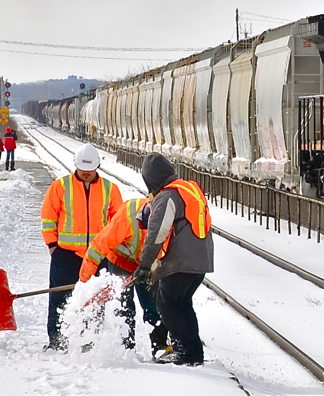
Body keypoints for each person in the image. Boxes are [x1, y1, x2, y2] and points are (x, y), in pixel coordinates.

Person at [132, 153, 213, 366]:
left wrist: (144, 265)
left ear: (150, 179)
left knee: (166, 303)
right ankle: (194, 353)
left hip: (181, 263)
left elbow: (157, 233)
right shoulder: (188, 189)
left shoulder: (167, 196)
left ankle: (182, 351)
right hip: (200, 261)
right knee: (182, 304)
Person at [41, 143, 123, 350]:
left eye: (90, 170)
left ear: (97, 167)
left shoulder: (110, 189)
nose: (86, 173)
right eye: (83, 170)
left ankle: (90, 339)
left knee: (95, 300)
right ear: (76, 165)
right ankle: (57, 340)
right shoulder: (60, 187)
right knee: (59, 297)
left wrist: (111, 250)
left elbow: (118, 222)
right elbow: (48, 218)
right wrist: (52, 245)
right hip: (66, 255)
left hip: (97, 256)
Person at [78, 197, 166, 351]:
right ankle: (126, 345)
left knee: (153, 305)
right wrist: (85, 279)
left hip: (148, 265)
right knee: (124, 303)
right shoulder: (126, 218)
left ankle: (159, 346)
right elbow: (98, 246)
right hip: (120, 260)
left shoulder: (167, 221)